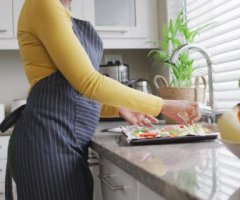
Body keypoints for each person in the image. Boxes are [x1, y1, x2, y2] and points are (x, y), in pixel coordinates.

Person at [4, 0, 200, 199]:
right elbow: (88, 81)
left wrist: (117, 108)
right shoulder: (43, 4)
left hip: (61, 141)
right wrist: (163, 104)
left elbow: (72, 92)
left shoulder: (61, 11)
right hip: (47, 144)